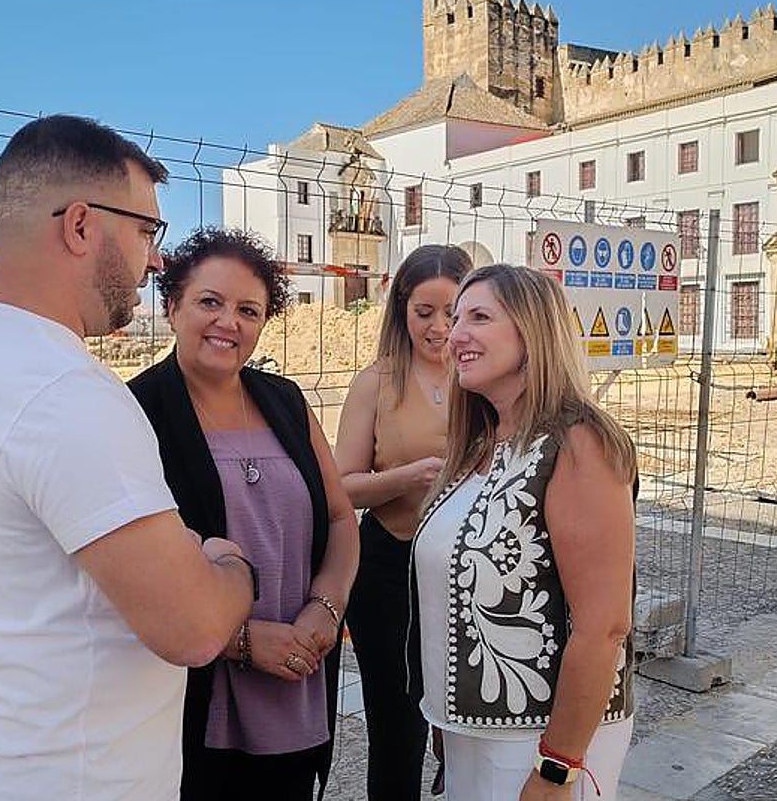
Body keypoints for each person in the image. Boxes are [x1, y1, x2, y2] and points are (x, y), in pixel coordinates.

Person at [0, 115, 255, 799]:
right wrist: (230, 563)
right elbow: (196, 626)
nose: (156, 260)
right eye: (147, 231)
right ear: (82, 225)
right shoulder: (63, 391)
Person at [128, 228, 360, 800]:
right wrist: (243, 641)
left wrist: (325, 612)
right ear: (172, 303)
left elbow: (339, 519)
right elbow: (132, 576)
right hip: (194, 695)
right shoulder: (135, 412)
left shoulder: (285, 400)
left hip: (298, 677)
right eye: (210, 301)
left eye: (248, 309)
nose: (228, 322)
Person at [413, 264, 636, 801]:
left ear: (532, 331)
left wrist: (557, 769)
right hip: (474, 733)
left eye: (479, 317)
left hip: (542, 739)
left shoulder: (576, 443)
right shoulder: (482, 448)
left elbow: (604, 625)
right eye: (454, 317)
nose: (454, 333)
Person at [334, 243, 473, 798]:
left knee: (466, 721)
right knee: (397, 727)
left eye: (454, 312)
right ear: (402, 311)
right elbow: (342, 487)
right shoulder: (377, 382)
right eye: (424, 313)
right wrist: (407, 479)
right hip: (391, 569)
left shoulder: (486, 378)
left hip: (471, 572)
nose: (439, 328)